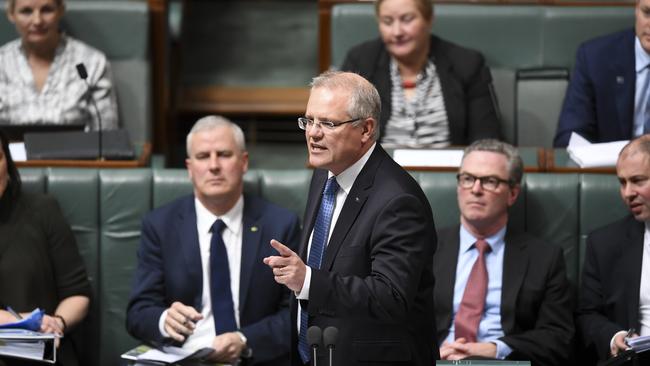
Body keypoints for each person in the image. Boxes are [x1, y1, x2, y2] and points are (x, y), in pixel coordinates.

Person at [263, 71, 438, 366]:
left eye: (328, 123)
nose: (313, 133)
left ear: (366, 129)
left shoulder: (398, 201)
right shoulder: (324, 173)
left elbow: (390, 297)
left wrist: (308, 280)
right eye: (309, 121)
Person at [126, 116, 301, 365]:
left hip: (252, 358)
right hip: (185, 358)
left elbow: (294, 313)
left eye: (224, 154)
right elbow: (138, 312)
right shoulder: (160, 225)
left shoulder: (280, 225)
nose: (214, 166)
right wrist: (164, 320)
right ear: (189, 168)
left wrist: (244, 340)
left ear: (244, 162)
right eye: (203, 156)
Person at [435, 139, 574, 366]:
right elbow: (397, 322)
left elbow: (558, 338)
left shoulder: (544, 257)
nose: (476, 189)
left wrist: (495, 349)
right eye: (468, 179)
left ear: (512, 193)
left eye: (490, 181)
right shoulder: (426, 248)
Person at [340, 0, 500, 148]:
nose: (397, 32)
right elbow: (343, 130)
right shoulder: (361, 62)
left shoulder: (466, 63)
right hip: (378, 173)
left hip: (449, 174)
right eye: (387, 22)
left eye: (407, 19)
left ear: (429, 19)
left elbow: (485, 138)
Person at [0, 129, 91, 366]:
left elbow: (77, 293)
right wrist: (15, 320)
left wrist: (57, 323)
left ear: (7, 163)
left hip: (38, 352)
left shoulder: (43, 210)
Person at [577, 135, 650, 364]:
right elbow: (587, 315)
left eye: (638, 181)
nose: (627, 193)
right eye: (622, 182)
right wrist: (615, 337)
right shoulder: (605, 243)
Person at [0, 0, 118, 130]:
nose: (37, 21)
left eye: (46, 10)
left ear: (60, 11)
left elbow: (106, 135)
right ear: (11, 14)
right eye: (26, 11)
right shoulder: (2, 62)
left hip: (77, 149)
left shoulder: (92, 63)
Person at [555, 0, 650, 147]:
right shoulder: (595, 58)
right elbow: (570, 134)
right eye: (647, 13)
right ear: (636, 8)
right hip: (610, 167)